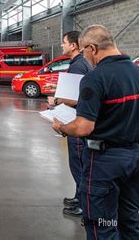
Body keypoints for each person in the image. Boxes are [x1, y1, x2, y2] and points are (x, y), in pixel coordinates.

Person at [52, 25, 139, 239]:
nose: (85, 57)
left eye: (84, 51)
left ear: (92, 48)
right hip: (135, 158)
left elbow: (83, 127)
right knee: (129, 222)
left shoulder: (96, 78)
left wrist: (62, 127)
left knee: (102, 225)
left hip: (105, 163)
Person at [48, 31, 92, 218]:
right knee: (79, 164)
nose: (62, 45)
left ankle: (83, 205)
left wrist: (56, 101)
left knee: (78, 165)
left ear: (74, 45)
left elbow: (75, 99)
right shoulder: (79, 63)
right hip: (76, 119)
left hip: (76, 121)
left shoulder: (78, 66)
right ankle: (79, 196)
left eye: (64, 42)